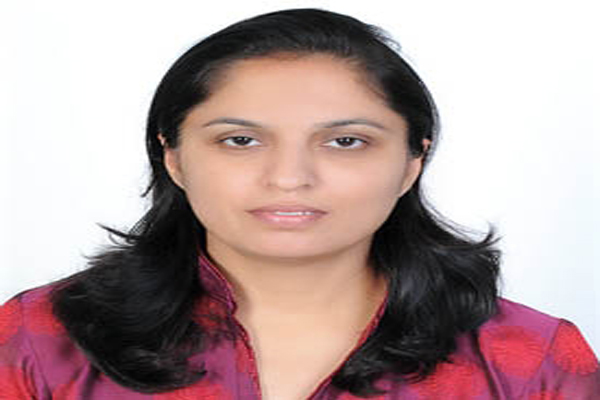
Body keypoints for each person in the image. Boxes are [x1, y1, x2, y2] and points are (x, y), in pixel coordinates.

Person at [0, 8, 598, 400]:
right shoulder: (38, 339)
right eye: (240, 140)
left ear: (412, 161)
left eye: (346, 142)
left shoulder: (530, 361)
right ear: (174, 157)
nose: (289, 178)